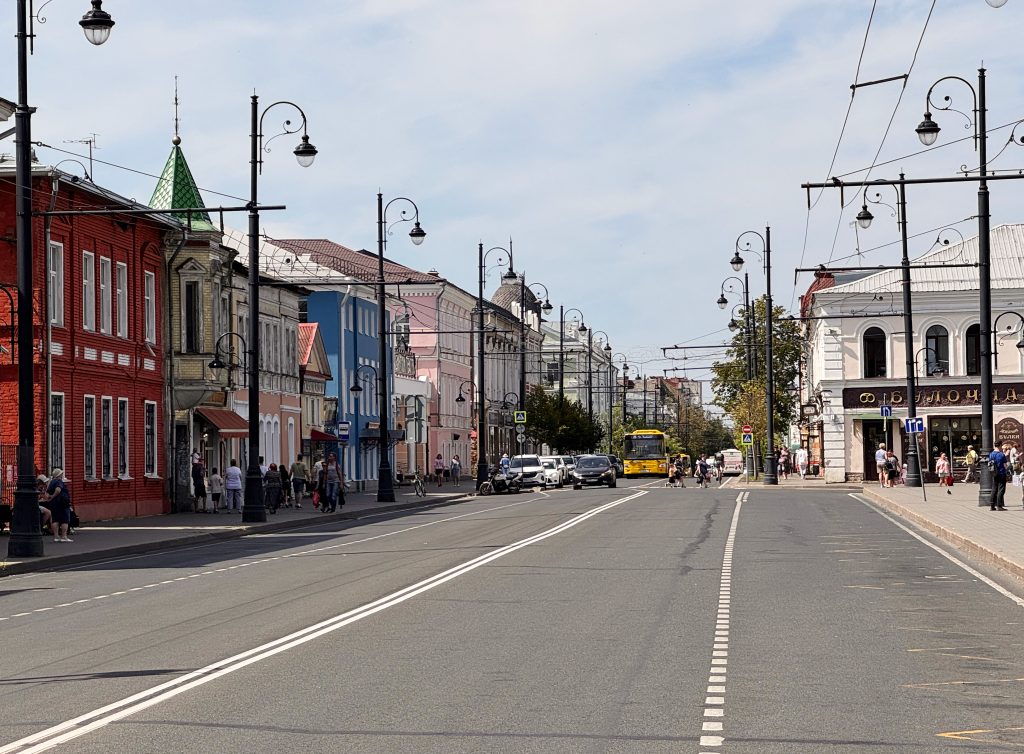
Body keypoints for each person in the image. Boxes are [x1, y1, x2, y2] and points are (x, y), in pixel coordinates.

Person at [45, 468, 72, 542]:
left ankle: (56, 537)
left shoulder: (51, 482)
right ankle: (64, 536)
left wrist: (49, 499)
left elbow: (47, 493)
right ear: (59, 475)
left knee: (55, 519)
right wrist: (53, 496)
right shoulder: (59, 481)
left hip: (54, 504)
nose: (62, 475)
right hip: (62, 503)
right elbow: (58, 490)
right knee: (64, 520)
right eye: (61, 474)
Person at [989, 442, 1010, 511]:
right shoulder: (1001, 454)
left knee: (994, 488)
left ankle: (992, 505)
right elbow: (1005, 465)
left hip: (994, 473)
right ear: (1000, 445)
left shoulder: (991, 454)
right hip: (1001, 473)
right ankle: (999, 505)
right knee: (1001, 489)